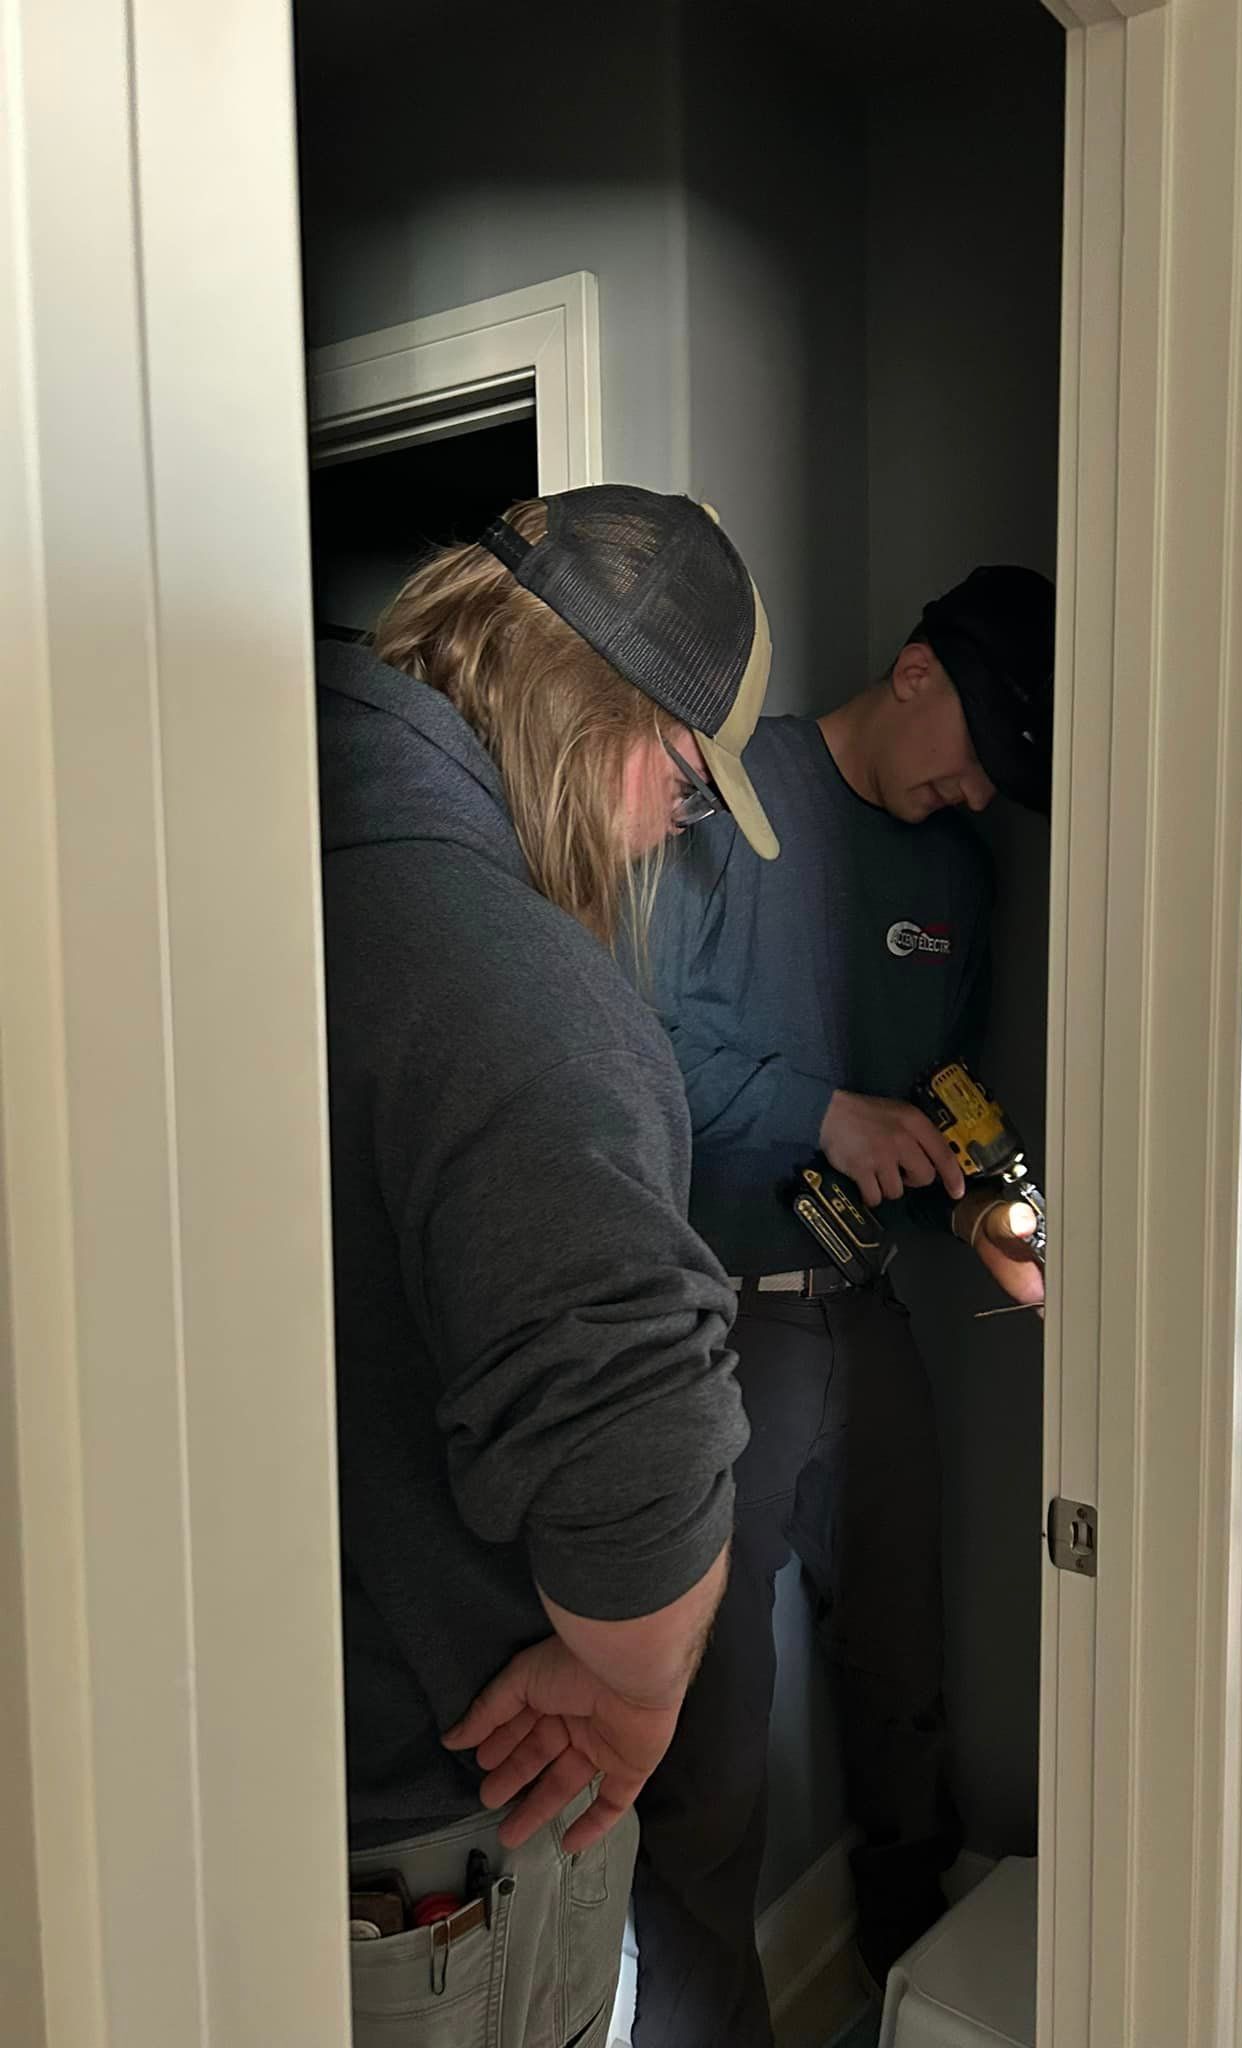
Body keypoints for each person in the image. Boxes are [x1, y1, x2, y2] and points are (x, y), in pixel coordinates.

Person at [317, 483, 781, 2048]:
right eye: (689, 787)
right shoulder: (526, 994)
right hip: (433, 1871)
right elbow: (639, 1456)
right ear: (623, 729)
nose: (667, 832)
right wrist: (638, 1692)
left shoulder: (224, 842)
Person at [629, 565, 1054, 2048]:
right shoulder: (726, 808)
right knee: (710, 1748)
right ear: (916, 669)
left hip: (869, 1322)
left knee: (904, 1689)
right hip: (721, 1332)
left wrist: (1010, 1217)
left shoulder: (959, 879)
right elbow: (641, 1061)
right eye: (970, 763)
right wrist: (823, 1112)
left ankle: (910, 1989)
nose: (969, 799)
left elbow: (947, 1087)